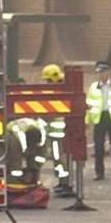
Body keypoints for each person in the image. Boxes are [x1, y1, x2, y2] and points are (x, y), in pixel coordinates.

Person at [39, 64, 74, 196]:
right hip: (57, 132)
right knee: (58, 159)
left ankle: (65, 183)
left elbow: (50, 114)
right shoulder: (61, 90)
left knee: (60, 159)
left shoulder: (57, 93)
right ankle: (63, 182)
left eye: (48, 80)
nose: (47, 83)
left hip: (57, 133)